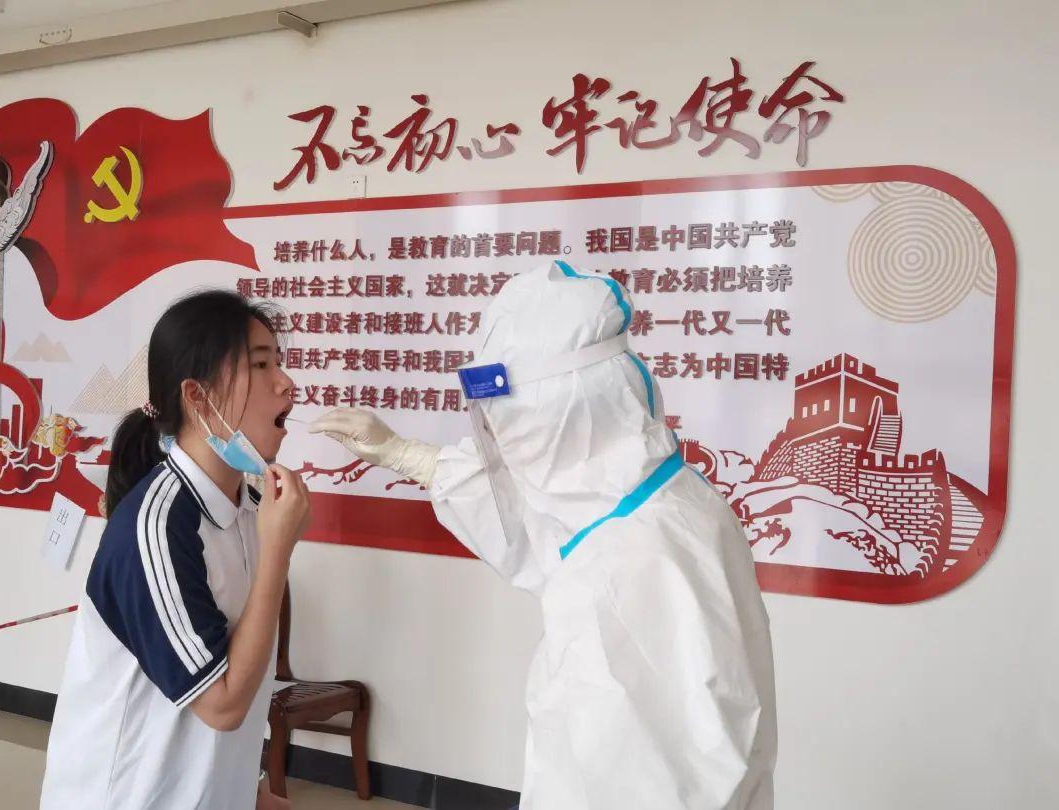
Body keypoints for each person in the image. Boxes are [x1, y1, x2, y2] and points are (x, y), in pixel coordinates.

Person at [311, 261, 777, 810]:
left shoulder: (634, 566)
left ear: (565, 413)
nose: (501, 440)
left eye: (510, 421)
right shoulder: (654, 500)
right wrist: (406, 456)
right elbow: (534, 524)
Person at [41, 290, 310, 810]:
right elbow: (222, 704)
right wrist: (279, 552)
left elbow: (237, 664)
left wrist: (244, 789)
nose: (286, 383)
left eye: (279, 362)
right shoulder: (157, 525)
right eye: (260, 365)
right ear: (198, 397)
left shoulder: (252, 509)